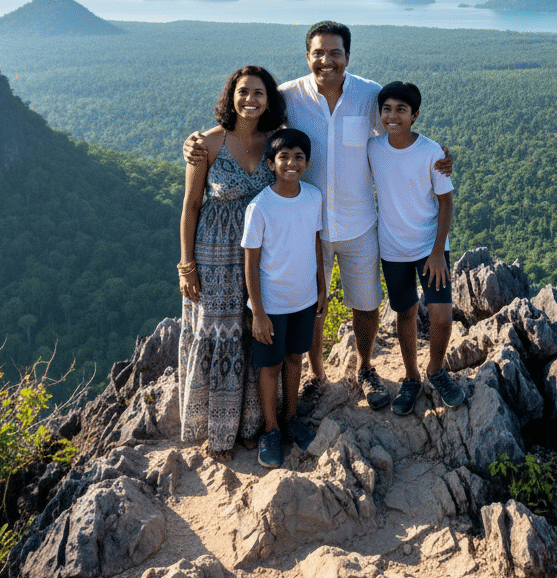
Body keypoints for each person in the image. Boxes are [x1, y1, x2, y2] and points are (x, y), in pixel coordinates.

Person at [185, 22, 452, 414]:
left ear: (348, 56)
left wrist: (440, 155)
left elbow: (399, 132)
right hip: (305, 225)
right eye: (318, 53)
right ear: (307, 55)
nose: (326, 60)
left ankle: (364, 368)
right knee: (311, 306)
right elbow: (248, 121)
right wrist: (196, 140)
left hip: (359, 222)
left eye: (335, 53)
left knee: (366, 304)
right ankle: (316, 374)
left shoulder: (368, 95)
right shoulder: (289, 97)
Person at [177, 66, 286, 461]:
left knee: (255, 331)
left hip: (263, 252)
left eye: (259, 93)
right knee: (220, 333)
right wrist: (186, 264)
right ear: (231, 95)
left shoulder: (275, 141)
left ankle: (253, 424)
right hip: (216, 253)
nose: (250, 100)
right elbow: (190, 207)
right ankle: (219, 429)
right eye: (243, 92)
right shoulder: (207, 142)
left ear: (268, 99)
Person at [368, 81, 466, 414]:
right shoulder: (373, 148)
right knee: (405, 312)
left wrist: (438, 251)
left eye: (401, 109)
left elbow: (446, 202)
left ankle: (436, 370)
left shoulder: (431, 152)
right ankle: (411, 377)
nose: (392, 116)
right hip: (392, 248)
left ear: (415, 115)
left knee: (441, 316)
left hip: (429, 248)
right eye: (386, 109)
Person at [242, 129, 325, 468]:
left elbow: (316, 242)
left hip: (304, 299)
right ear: (271, 164)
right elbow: (251, 261)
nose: (292, 163)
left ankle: (291, 418)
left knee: (295, 359)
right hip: (271, 305)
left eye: (299, 157)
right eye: (284, 158)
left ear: (307, 162)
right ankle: (272, 429)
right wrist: (258, 312)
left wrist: (322, 286)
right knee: (270, 366)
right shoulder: (260, 207)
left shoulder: (313, 197)